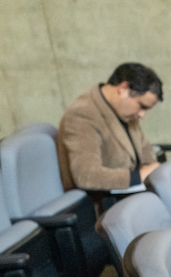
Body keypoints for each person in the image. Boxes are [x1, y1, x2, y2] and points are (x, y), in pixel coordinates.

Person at [57, 62, 162, 192]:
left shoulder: (126, 112)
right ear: (123, 89)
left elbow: (144, 147)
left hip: (131, 195)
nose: (142, 114)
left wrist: (149, 167)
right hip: (102, 203)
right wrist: (138, 177)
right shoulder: (82, 115)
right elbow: (86, 175)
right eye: (142, 106)